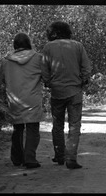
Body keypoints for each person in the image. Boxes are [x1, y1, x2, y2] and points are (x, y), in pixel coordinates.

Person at [41, 21, 92, 169]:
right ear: (67, 32)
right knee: (74, 125)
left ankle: (59, 155)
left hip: (57, 92)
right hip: (75, 91)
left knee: (57, 125)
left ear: (52, 33)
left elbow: (44, 70)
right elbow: (86, 68)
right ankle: (71, 158)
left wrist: (49, 83)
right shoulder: (77, 46)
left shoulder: (48, 47)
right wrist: (83, 81)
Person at [0, 32, 43, 169]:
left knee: (17, 128)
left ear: (15, 45)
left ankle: (17, 158)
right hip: (32, 99)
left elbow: (1, 80)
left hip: (15, 99)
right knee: (32, 129)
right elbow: (46, 76)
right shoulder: (38, 58)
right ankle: (30, 158)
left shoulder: (6, 60)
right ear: (29, 44)